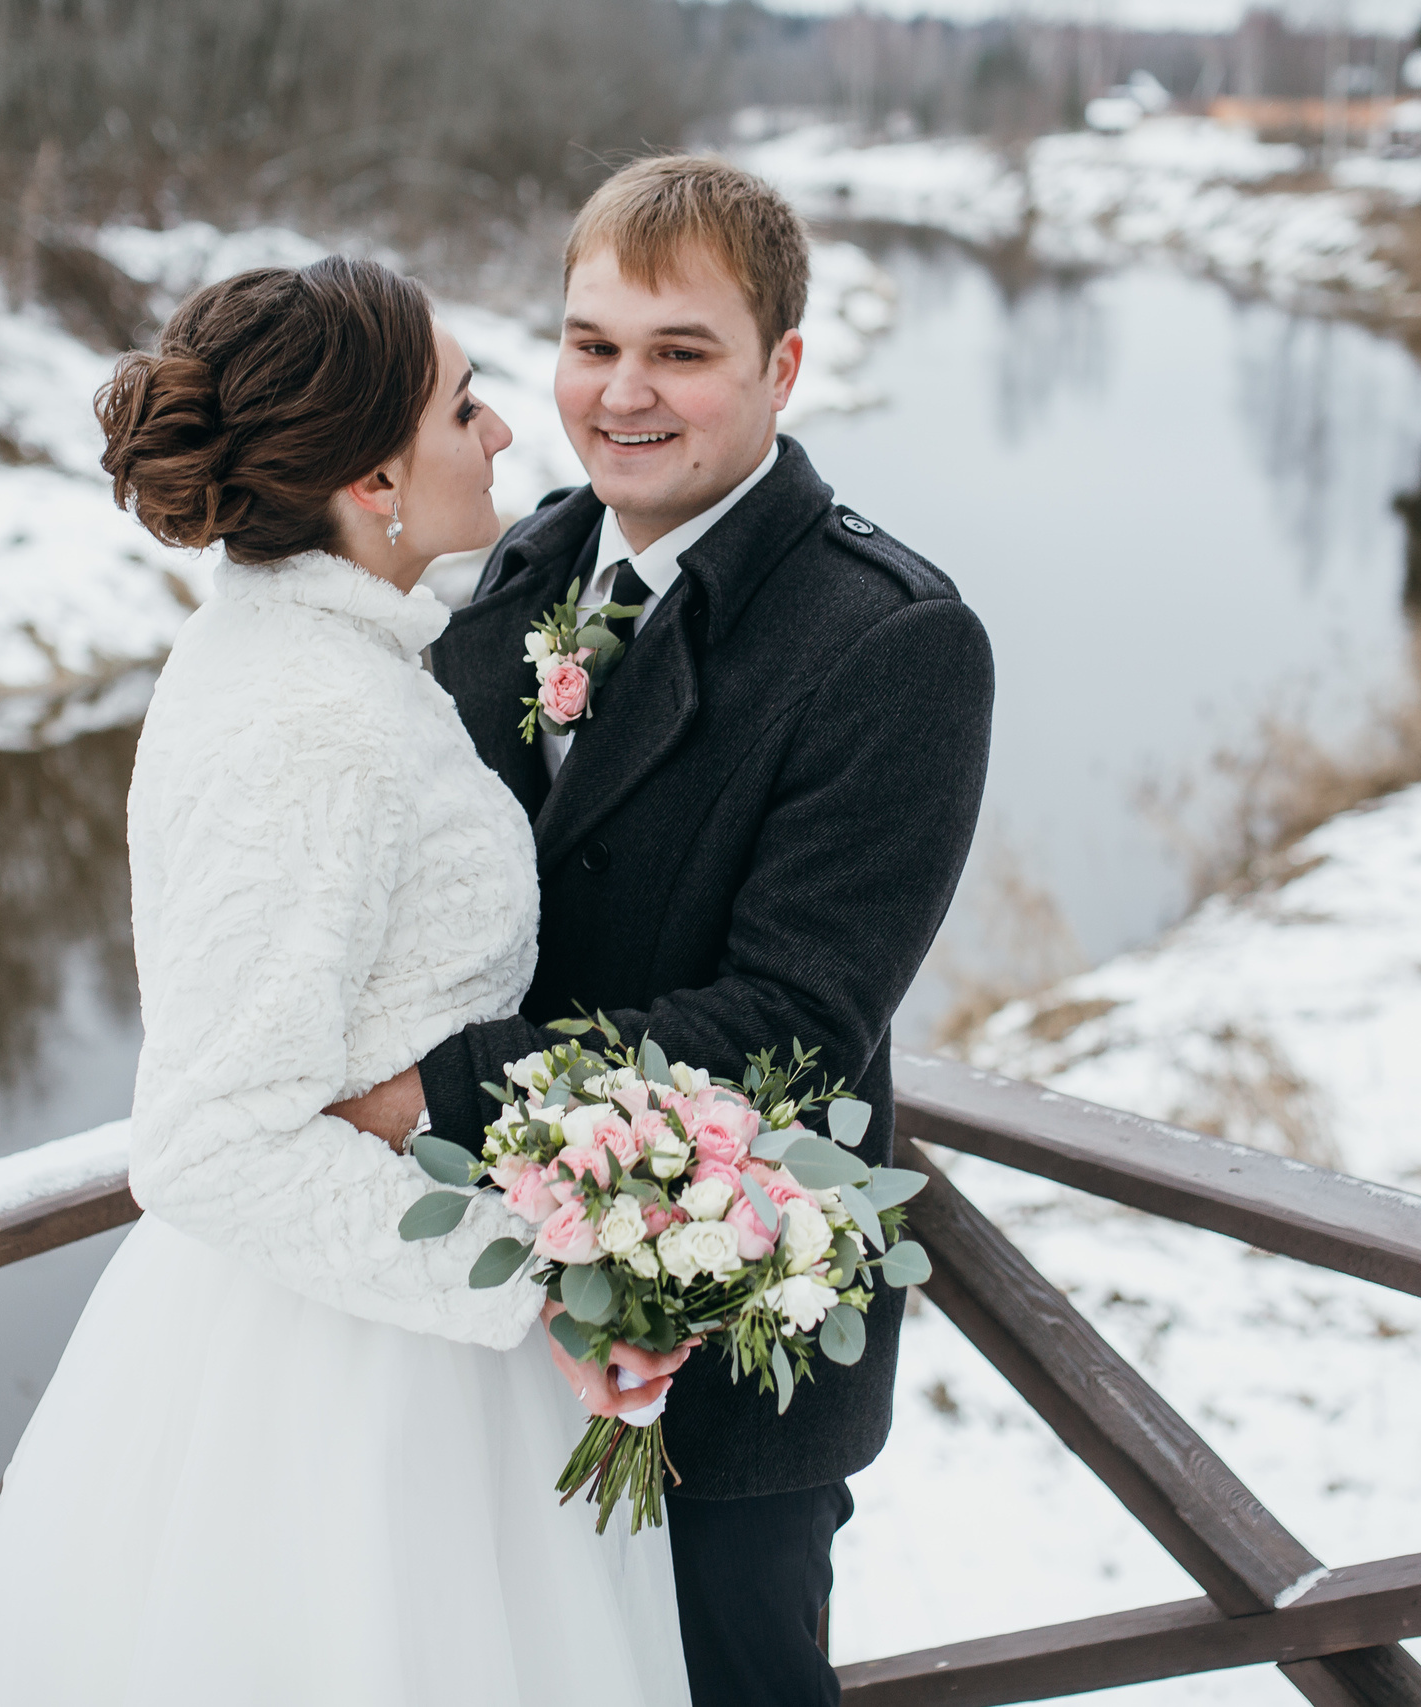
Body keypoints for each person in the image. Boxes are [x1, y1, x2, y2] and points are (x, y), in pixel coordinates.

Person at [0, 258, 691, 1705]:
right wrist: (537, 1283)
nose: (503, 435)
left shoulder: (320, 657)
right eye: (465, 407)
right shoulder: (307, 718)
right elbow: (212, 1142)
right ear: (372, 481)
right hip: (343, 1402)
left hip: (415, 1347)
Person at [328, 155, 995, 1706]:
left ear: (783, 368)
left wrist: (436, 1092)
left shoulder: (891, 640)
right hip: (484, 1318)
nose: (621, 393)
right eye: (590, 343)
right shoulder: (530, 560)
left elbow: (791, 1020)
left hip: (716, 1343)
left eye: (680, 353)